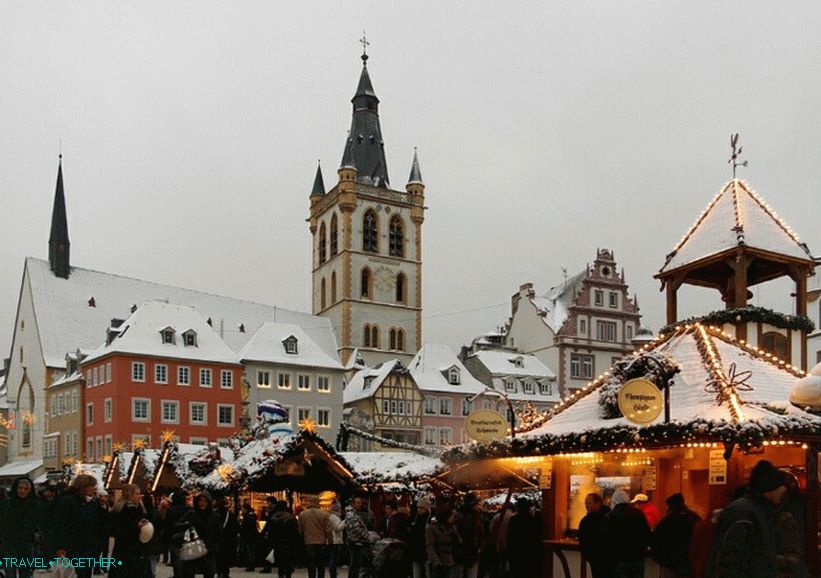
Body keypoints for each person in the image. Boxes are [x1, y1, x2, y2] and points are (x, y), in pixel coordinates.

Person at [705, 460, 785, 578]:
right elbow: (727, 559)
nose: (783, 491)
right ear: (770, 488)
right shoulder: (743, 513)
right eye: (780, 487)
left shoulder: (759, 511)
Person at [53, 474, 106, 578]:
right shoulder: (68, 501)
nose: (94, 488)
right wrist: (60, 546)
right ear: (83, 486)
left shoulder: (92, 503)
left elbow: (98, 524)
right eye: (91, 485)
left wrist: (103, 507)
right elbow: (59, 525)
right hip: (72, 547)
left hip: (88, 548)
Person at [0, 477, 42, 578]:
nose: (22, 491)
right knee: (10, 573)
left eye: (25, 489)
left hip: (26, 545)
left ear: (30, 490)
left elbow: (39, 523)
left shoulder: (35, 504)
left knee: (25, 573)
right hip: (9, 544)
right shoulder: (7, 503)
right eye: (20, 488)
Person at [652, 493, 700, 578]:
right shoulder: (694, 517)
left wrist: (660, 560)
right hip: (690, 563)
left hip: (670, 564)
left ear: (670, 506)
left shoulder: (667, 521)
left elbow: (657, 541)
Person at [601, 498, 651, 578]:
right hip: (637, 558)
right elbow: (647, 535)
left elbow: (605, 539)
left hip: (618, 559)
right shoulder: (639, 514)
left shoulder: (610, 516)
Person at [109, 484, 150, 578]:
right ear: (129, 495)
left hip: (139, 549)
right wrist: (135, 527)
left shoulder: (140, 509)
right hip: (124, 550)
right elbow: (116, 531)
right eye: (136, 494)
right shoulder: (121, 510)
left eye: (140, 494)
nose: (139, 496)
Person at [177, 491, 222, 578]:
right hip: (191, 549)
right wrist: (186, 525)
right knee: (188, 573)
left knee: (208, 573)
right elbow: (177, 526)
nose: (202, 503)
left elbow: (219, 534)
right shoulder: (191, 514)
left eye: (205, 501)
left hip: (208, 550)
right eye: (200, 500)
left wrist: (214, 547)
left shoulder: (214, 516)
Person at [578, 493, 611, 578]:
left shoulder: (586, 521)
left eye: (589, 503)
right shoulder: (610, 517)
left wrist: (587, 555)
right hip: (606, 558)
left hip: (598, 558)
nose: (586, 506)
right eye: (585, 503)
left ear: (598, 503)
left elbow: (582, 539)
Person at [298, 495, 331, 578]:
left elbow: (300, 529)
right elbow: (328, 530)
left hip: (309, 542)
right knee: (321, 564)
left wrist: (303, 538)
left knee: (311, 564)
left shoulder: (303, 514)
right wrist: (329, 540)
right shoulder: (324, 514)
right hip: (321, 542)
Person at [505, 499, 540, 578]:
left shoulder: (514, 520)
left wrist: (509, 552)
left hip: (517, 552)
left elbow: (510, 537)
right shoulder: (532, 520)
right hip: (529, 553)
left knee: (517, 573)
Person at [267, 500, 300, 578]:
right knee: (288, 563)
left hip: (277, 543)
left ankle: (281, 575)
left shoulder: (273, 518)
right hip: (288, 543)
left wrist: (272, 543)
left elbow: (271, 532)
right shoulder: (290, 517)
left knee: (280, 564)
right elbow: (294, 532)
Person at [454, 494, 484, 578]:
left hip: (469, 550)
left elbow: (480, 533)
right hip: (464, 550)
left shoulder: (477, 516)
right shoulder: (460, 516)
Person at [164, 490, 192, 578]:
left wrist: (166, 539)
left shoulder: (171, 510)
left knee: (177, 561)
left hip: (175, 539)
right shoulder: (190, 509)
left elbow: (168, 526)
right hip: (187, 538)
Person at [426, 506, 459, 578]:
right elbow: (430, 546)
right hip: (438, 563)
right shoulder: (432, 528)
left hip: (450, 562)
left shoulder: (452, 527)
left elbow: (458, 542)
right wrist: (436, 562)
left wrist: (455, 535)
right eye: (451, 516)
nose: (453, 518)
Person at [346, 495, 373, 578]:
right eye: (358, 502)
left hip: (358, 542)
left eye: (361, 502)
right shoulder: (351, 514)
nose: (360, 504)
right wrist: (367, 537)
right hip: (356, 543)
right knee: (355, 565)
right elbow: (356, 530)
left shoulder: (355, 513)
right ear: (353, 503)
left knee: (356, 565)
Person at [214, 496, 238, 578]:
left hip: (217, 540)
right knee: (226, 558)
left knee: (218, 557)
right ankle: (225, 573)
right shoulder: (230, 515)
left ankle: (219, 572)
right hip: (228, 540)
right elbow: (236, 527)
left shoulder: (214, 514)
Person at [409, 498, 431, 578]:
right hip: (416, 552)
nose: (419, 510)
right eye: (418, 507)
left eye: (421, 508)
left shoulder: (428, 522)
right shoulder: (415, 520)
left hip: (425, 552)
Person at [238, 501, 259, 572]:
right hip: (249, 536)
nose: (242, 511)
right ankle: (250, 565)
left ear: (246, 509)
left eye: (243, 509)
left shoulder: (249, 517)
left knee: (249, 551)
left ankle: (250, 566)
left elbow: (248, 527)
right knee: (249, 551)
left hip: (248, 536)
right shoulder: (250, 516)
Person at [328, 501, 346, 578]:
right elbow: (338, 528)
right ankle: (333, 572)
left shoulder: (332, 517)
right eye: (340, 508)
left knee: (334, 557)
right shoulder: (334, 518)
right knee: (334, 558)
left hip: (334, 540)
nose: (341, 510)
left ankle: (333, 571)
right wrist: (345, 521)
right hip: (335, 541)